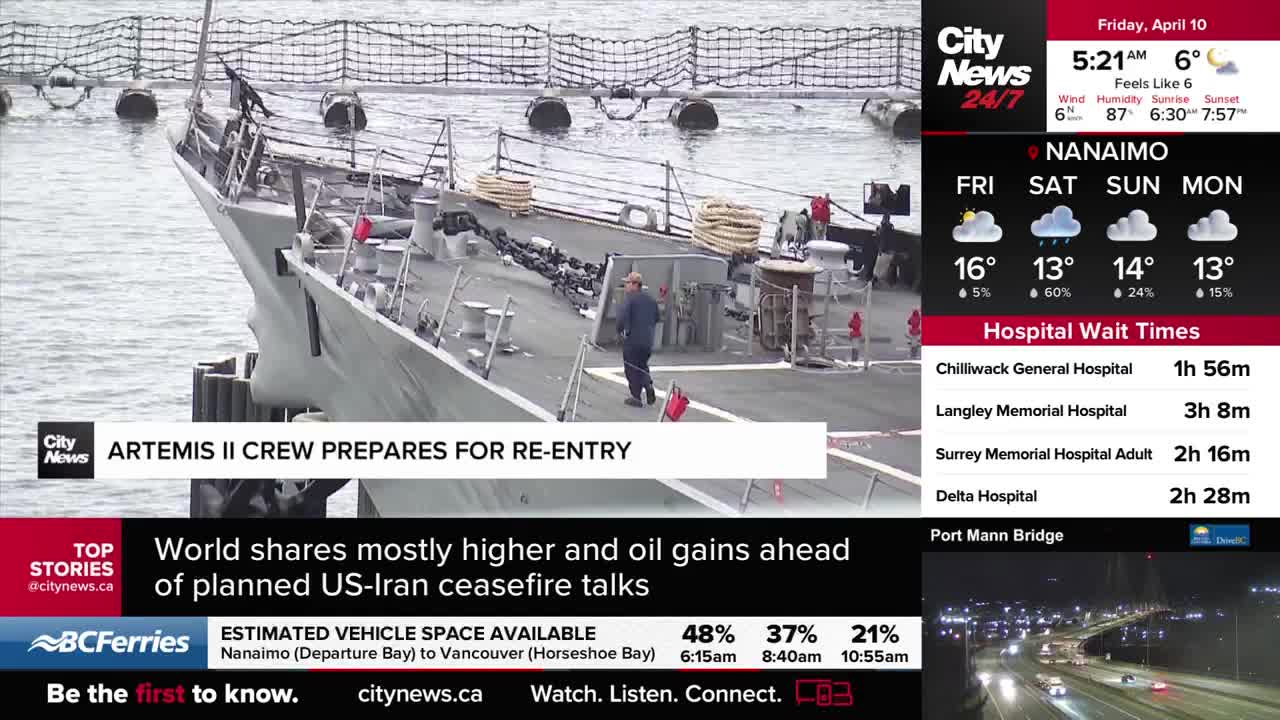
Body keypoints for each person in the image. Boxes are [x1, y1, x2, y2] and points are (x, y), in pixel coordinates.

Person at [615, 271, 659, 407]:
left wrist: (620, 331)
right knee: (642, 365)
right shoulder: (651, 299)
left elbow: (622, 318)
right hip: (648, 341)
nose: (625, 286)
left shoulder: (630, 299)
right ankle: (648, 385)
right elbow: (657, 318)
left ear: (635, 284)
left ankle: (636, 397)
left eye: (627, 283)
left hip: (633, 340)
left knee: (631, 367)